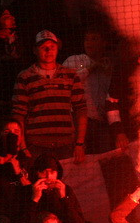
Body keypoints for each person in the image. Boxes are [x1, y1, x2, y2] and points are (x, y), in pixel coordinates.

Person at [11, 30, 87, 162]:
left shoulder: (71, 75)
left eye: (52, 47)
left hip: (66, 145)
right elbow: (18, 115)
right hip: (36, 146)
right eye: (43, 47)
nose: (48, 50)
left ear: (57, 49)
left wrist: (79, 144)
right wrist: (23, 147)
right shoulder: (25, 77)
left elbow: (81, 109)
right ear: (35, 50)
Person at [24, 154, 86, 223]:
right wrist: (34, 199)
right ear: (36, 173)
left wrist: (63, 198)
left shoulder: (66, 190)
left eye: (52, 172)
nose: (48, 177)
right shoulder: (26, 191)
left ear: (57, 173)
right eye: (44, 172)